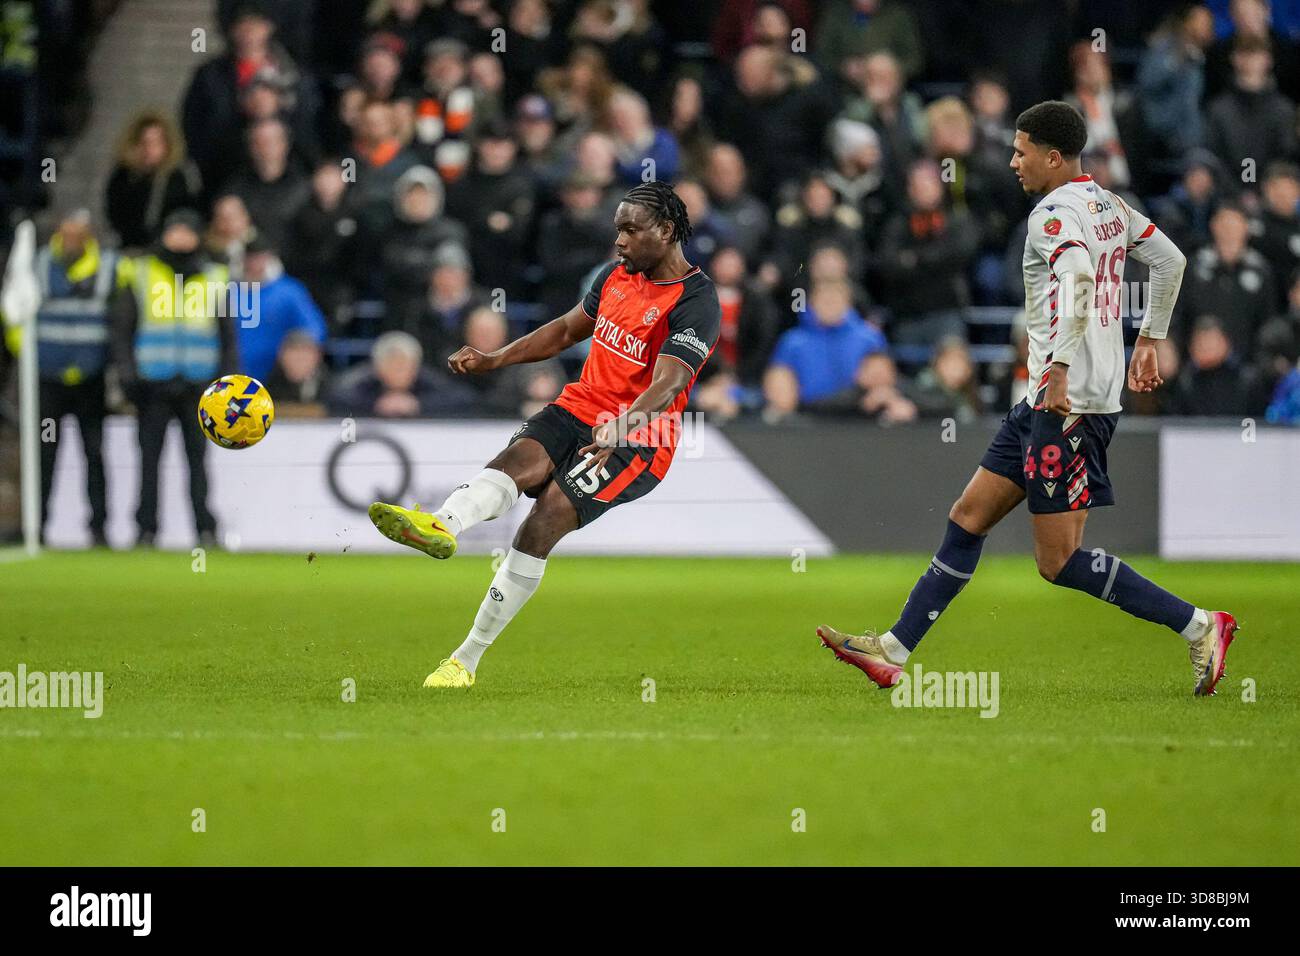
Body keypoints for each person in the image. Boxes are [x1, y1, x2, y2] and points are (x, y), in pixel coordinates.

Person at [817, 101, 1239, 698]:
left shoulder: (1052, 217)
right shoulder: (1109, 207)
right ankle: (894, 651)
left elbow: (1081, 282)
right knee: (968, 517)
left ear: (1053, 156)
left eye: (1020, 151)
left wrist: (1061, 367)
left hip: (1066, 406)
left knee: (1059, 561)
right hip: (1047, 403)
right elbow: (1169, 259)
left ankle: (1201, 626)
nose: (1012, 162)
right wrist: (1149, 339)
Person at [366, 181, 721, 688]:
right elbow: (564, 331)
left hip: (639, 441)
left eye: (629, 230)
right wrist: (496, 357)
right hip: (578, 406)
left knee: (545, 515)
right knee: (516, 462)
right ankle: (442, 524)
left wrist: (624, 425)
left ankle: (464, 661)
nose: (619, 241)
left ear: (666, 231)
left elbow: (669, 382)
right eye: (617, 229)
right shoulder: (615, 276)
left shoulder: (697, 300)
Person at [111, 210, 239, 548]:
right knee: (149, 461)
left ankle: (204, 528)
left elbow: (227, 334)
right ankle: (146, 529)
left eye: (187, 230)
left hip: (199, 385)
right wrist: (126, 372)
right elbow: (123, 327)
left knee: (197, 461)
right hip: (152, 383)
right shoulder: (139, 272)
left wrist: (226, 382)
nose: (181, 237)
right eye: (175, 230)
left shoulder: (215, 276)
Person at [23, 211, 122, 546]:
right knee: (44, 452)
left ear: (90, 236)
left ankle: (99, 528)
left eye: (78, 234)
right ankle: (35, 526)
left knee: (93, 453)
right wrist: (28, 357)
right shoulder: (36, 264)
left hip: (90, 379)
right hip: (49, 377)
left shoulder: (109, 267)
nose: (71, 241)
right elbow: (17, 315)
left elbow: (118, 320)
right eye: (66, 234)